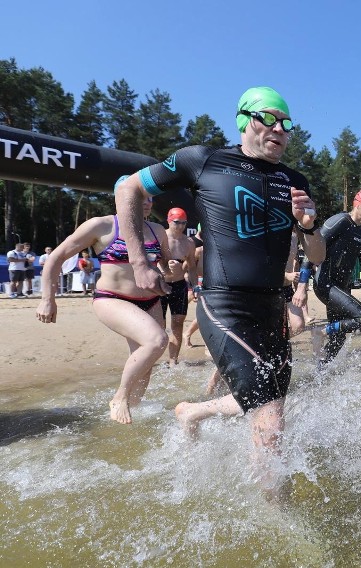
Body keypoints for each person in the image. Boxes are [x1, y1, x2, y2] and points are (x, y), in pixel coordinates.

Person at [114, 86, 325, 464]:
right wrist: (139, 261)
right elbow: (129, 187)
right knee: (270, 420)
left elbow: (317, 254)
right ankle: (278, 518)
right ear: (244, 120)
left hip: (271, 308)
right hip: (223, 305)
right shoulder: (203, 160)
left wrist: (308, 226)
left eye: (286, 124)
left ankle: (193, 412)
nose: (279, 129)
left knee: (273, 404)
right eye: (269, 119)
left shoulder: (295, 181)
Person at [35, 192, 173, 424]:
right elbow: (56, 257)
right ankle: (120, 397)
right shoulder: (102, 225)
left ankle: (132, 414)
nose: (148, 202)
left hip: (151, 301)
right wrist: (47, 298)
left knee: (146, 363)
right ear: (122, 198)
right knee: (156, 341)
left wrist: (170, 270)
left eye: (150, 198)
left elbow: (165, 267)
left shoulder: (157, 230)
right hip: (112, 298)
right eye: (140, 197)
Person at [304, 188, 361, 368]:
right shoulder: (339, 221)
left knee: (338, 339)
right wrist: (301, 286)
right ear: (358, 205)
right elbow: (312, 250)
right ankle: (321, 331)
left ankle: (321, 370)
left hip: (342, 288)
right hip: (325, 285)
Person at [160, 207, 198, 367]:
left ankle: (173, 361)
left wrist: (196, 286)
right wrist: (163, 267)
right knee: (158, 325)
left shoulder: (188, 243)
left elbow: (192, 267)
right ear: (169, 220)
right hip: (160, 286)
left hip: (179, 286)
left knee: (177, 323)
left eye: (184, 223)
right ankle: (150, 359)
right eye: (177, 222)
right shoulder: (160, 237)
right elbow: (147, 259)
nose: (181, 226)